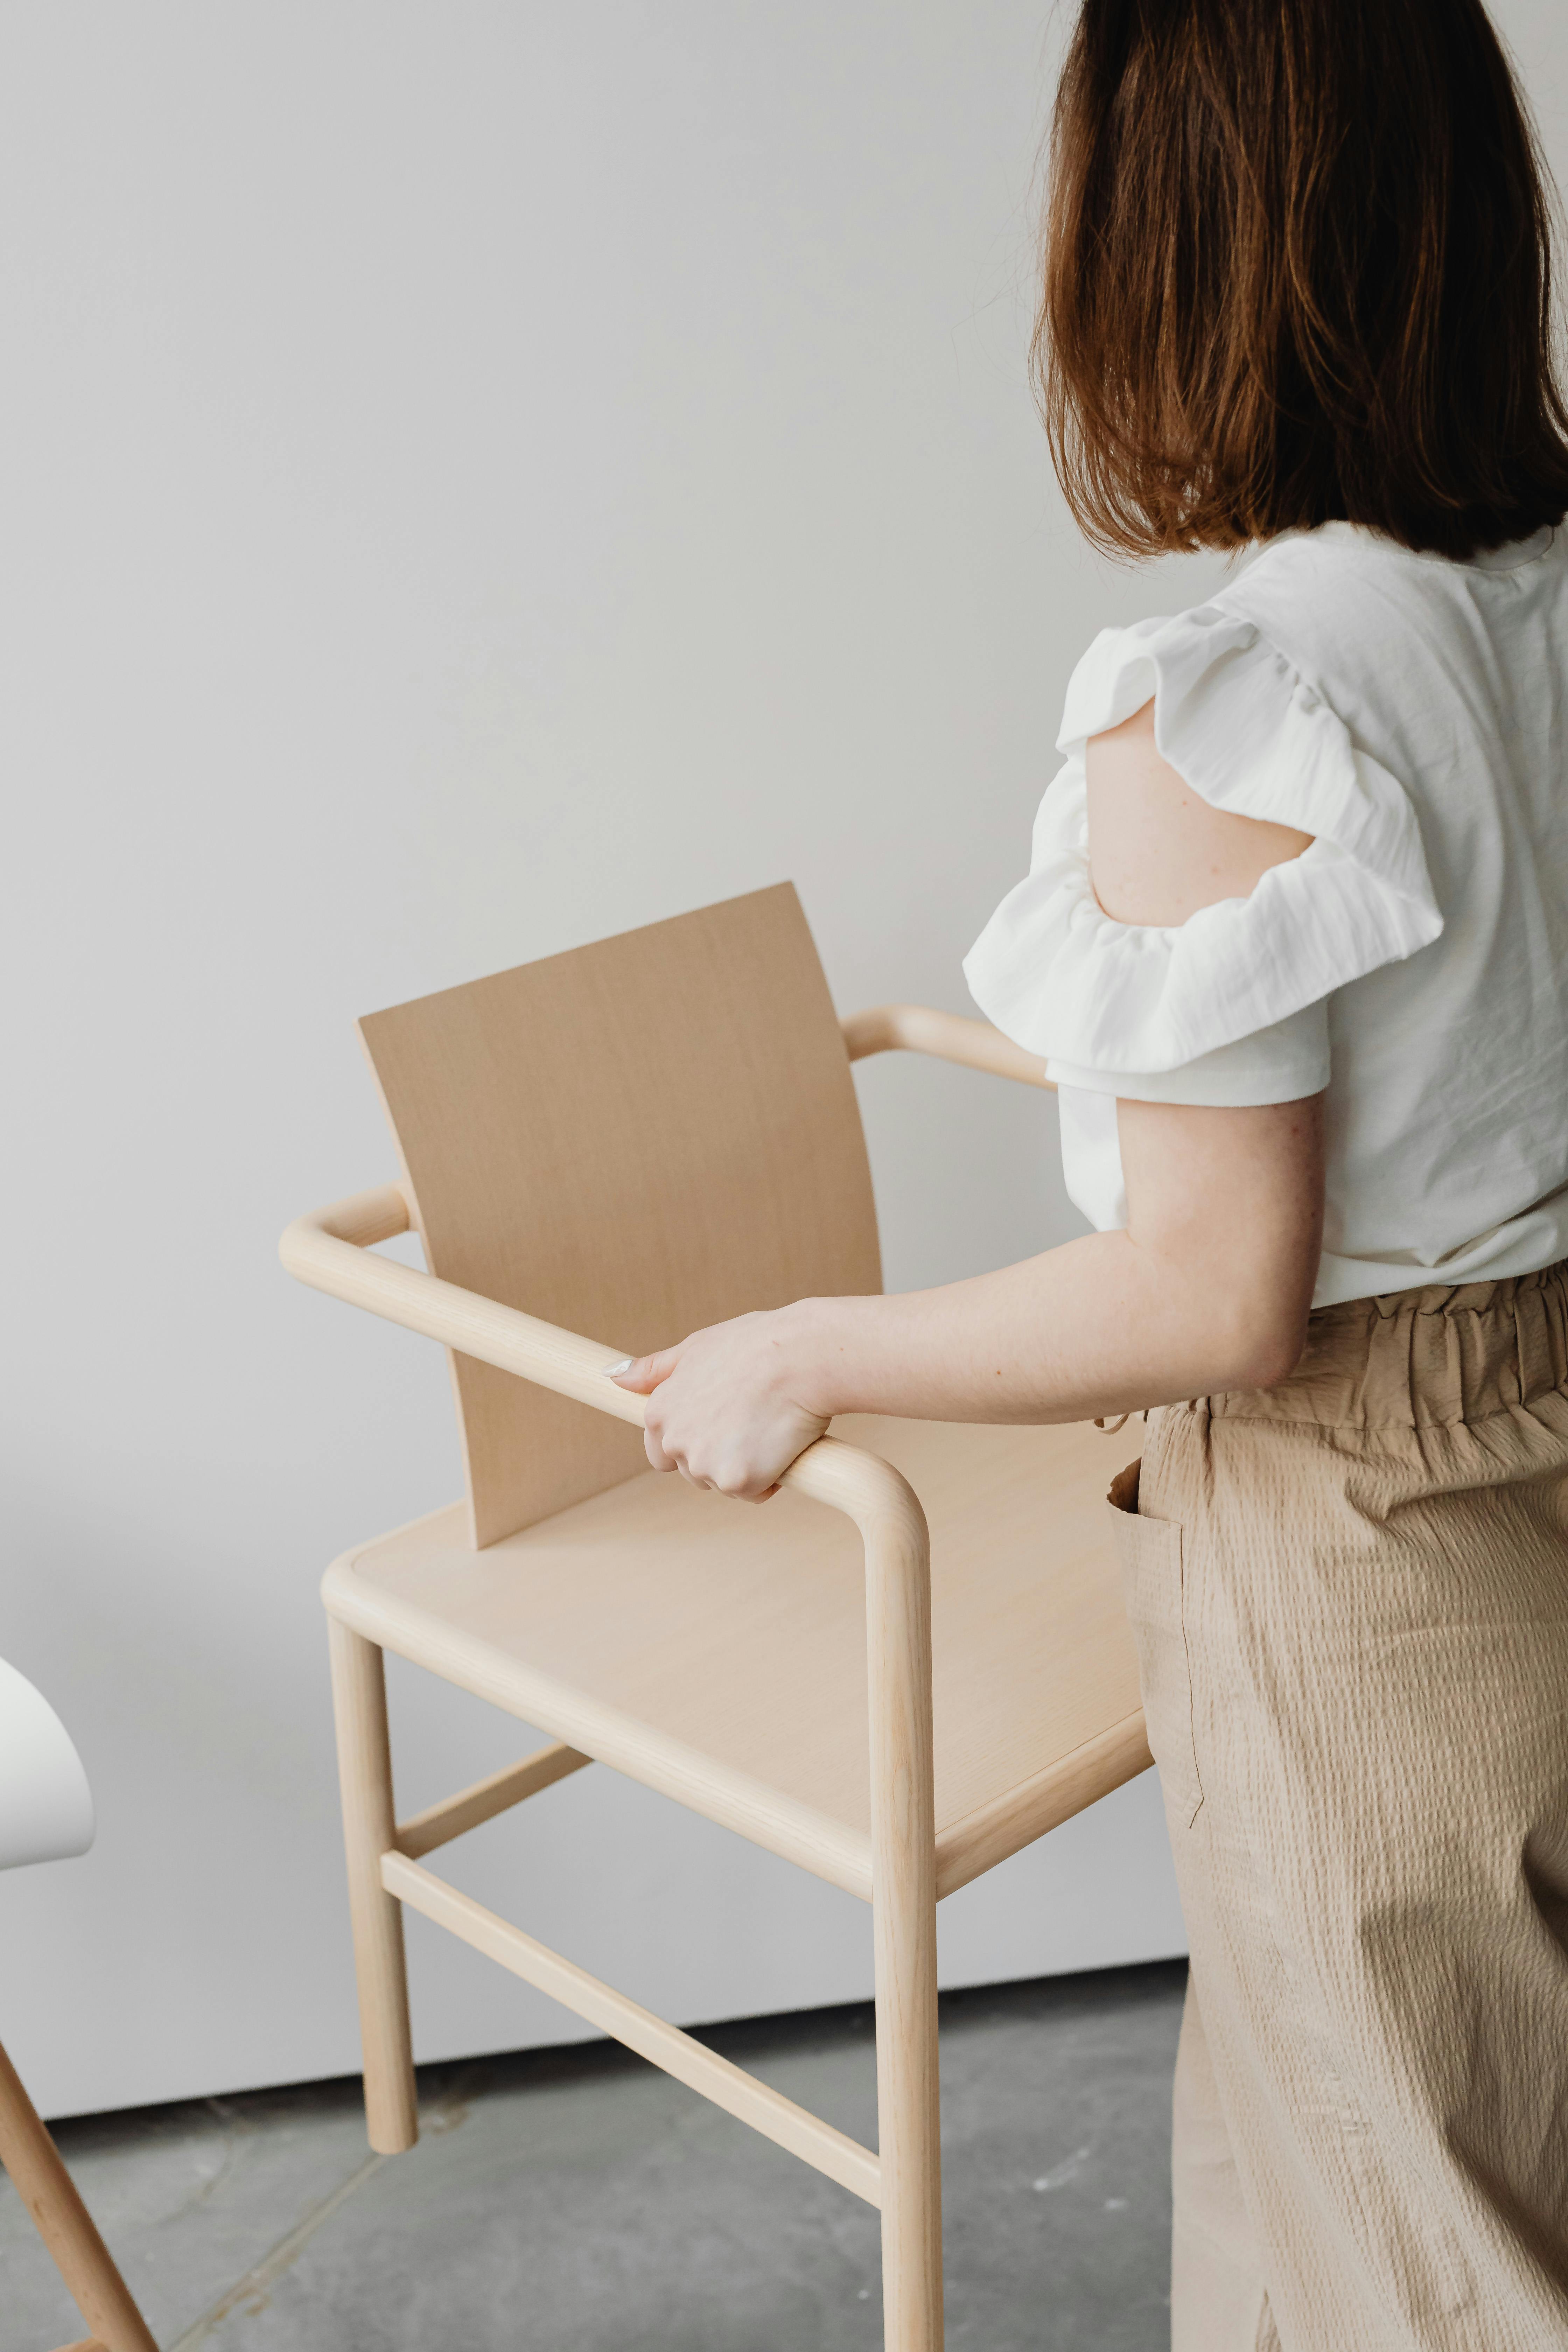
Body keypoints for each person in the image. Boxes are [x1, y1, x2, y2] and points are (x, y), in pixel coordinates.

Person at [611, 0, 1568, 2341]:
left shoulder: (1240, 694)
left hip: (1367, 1527)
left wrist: (805, 1351)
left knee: (1420, 2247)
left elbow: (1214, 1293)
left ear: (1160, 239)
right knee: (1366, 2152)